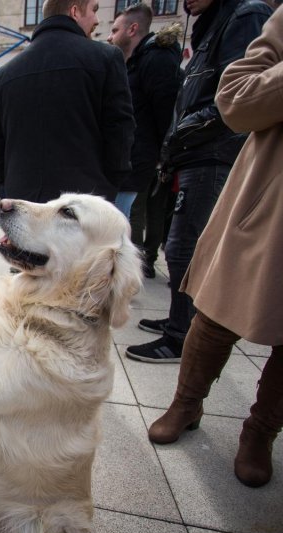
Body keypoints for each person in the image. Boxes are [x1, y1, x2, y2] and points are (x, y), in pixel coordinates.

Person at [147, 5, 283, 488]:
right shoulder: (258, 16)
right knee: (219, 302)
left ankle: (260, 432)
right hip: (271, 192)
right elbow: (236, 100)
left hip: (218, 163)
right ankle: (186, 402)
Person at [125, 0, 272, 363]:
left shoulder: (245, 15)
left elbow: (236, 96)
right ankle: (180, 321)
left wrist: (182, 134)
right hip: (195, 151)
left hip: (212, 152)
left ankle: (181, 336)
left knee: (185, 246)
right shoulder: (214, 23)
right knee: (181, 246)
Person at [0, 0, 134, 204]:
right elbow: (120, 130)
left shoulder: (4, 75)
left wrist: (9, 182)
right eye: (94, 10)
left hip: (25, 202)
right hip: (84, 204)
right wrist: (110, 183)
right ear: (74, 11)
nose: (97, 20)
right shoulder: (105, 58)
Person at [108, 3, 181, 265]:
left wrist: (164, 155)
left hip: (136, 158)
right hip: (130, 157)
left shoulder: (156, 59)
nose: (110, 36)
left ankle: (123, 271)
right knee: (120, 218)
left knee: (120, 220)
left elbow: (165, 113)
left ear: (133, 29)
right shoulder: (139, 61)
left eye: (115, 29)